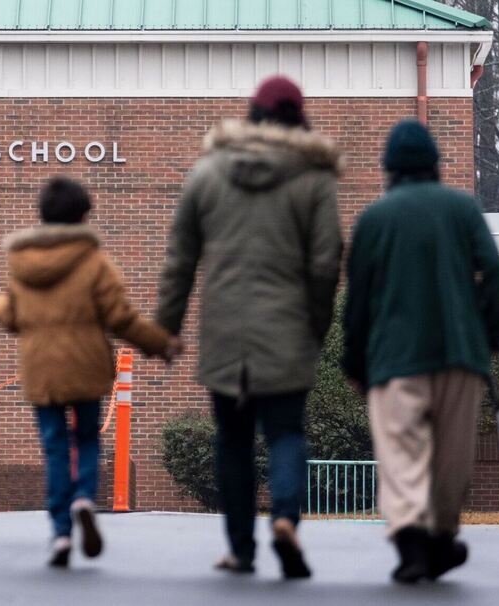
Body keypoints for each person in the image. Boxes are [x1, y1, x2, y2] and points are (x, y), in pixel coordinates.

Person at [155, 76, 343, 579]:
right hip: (288, 329)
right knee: (285, 432)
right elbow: (326, 262)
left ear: (252, 115)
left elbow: (180, 259)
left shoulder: (209, 172)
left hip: (225, 333)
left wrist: (167, 328)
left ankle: (241, 549)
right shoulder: (314, 179)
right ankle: (284, 518)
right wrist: (317, 324)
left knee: (232, 440)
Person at [0, 176, 178, 568]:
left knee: (54, 447)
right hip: (85, 365)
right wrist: (159, 343)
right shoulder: (94, 261)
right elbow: (120, 317)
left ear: (42, 215)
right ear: (83, 216)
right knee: (87, 439)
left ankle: (61, 531)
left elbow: (14, 315)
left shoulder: (22, 262)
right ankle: (83, 499)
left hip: (41, 368)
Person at [342, 119, 499, 584]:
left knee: (401, 452)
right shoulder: (463, 209)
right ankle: (440, 537)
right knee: (451, 457)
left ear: (390, 169)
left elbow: (358, 302)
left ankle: (412, 542)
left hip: (395, 360)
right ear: (435, 164)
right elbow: (496, 276)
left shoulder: (374, 219)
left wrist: (355, 361)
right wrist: (492, 335)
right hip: (460, 355)